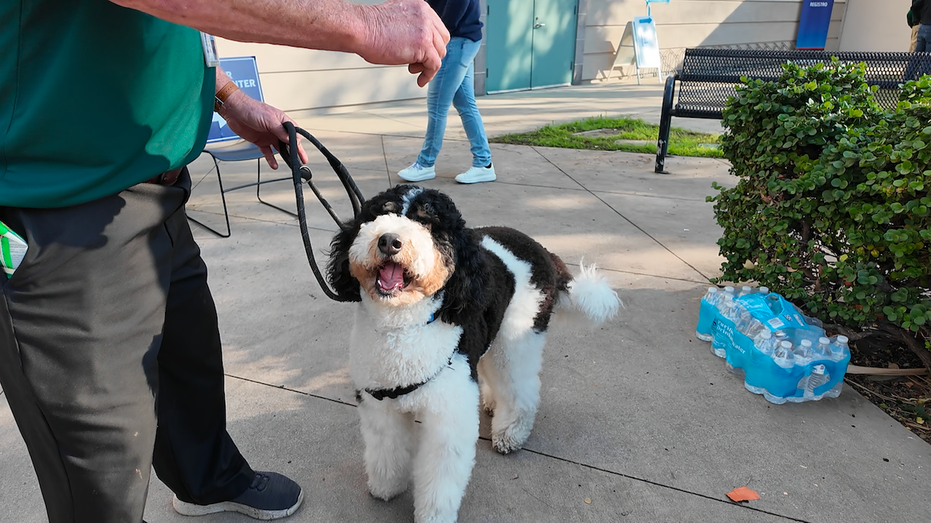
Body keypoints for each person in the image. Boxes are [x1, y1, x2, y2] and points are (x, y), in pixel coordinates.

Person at [0, 1, 448, 522]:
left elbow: (163, 28)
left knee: (188, 366)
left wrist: (229, 99)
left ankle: (204, 481)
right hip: (59, 206)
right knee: (98, 457)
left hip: (157, 192)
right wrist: (361, 22)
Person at [397, 0, 496, 185]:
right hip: (462, 39)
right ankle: (484, 164)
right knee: (465, 104)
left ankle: (426, 164)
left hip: (454, 40)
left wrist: (435, 32)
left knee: (437, 106)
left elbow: (455, 7)